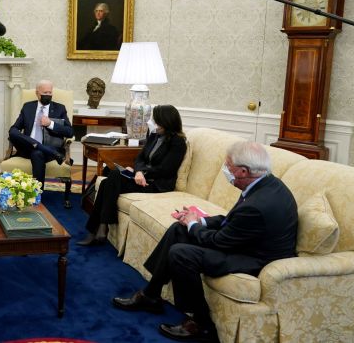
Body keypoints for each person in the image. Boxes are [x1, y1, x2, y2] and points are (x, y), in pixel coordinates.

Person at [112, 141, 298, 342]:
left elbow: (219, 242)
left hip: (256, 259)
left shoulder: (257, 204)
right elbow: (232, 219)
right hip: (246, 242)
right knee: (178, 229)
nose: (225, 170)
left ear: (243, 171)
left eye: (229, 167)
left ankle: (201, 323)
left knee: (181, 254)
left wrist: (194, 225)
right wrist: (197, 220)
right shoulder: (265, 183)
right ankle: (151, 295)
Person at [78, 105, 187, 246]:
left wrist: (143, 172)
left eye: (157, 121)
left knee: (112, 178)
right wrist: (138, 171)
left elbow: (166, 169)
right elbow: (139, 158)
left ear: (167, 122)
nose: (154, 124)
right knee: (109, 179)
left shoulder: (178, 143)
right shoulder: (154, 135)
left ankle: (98, 229)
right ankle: (100, 229)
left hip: (156, 184)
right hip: (142, 178)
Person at [8, 80, 74, 190]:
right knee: (12, 131)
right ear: (37, 93)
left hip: (49, 147)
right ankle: (39, 146)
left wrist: (50, 124)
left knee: (37, 152)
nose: (48, 95)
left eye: (50, 93)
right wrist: (31, 142)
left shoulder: (60, 108)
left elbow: (69, 131)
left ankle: (37, 193)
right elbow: (15, 128)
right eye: (45, 93)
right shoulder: (28, 107)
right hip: (27, 147)